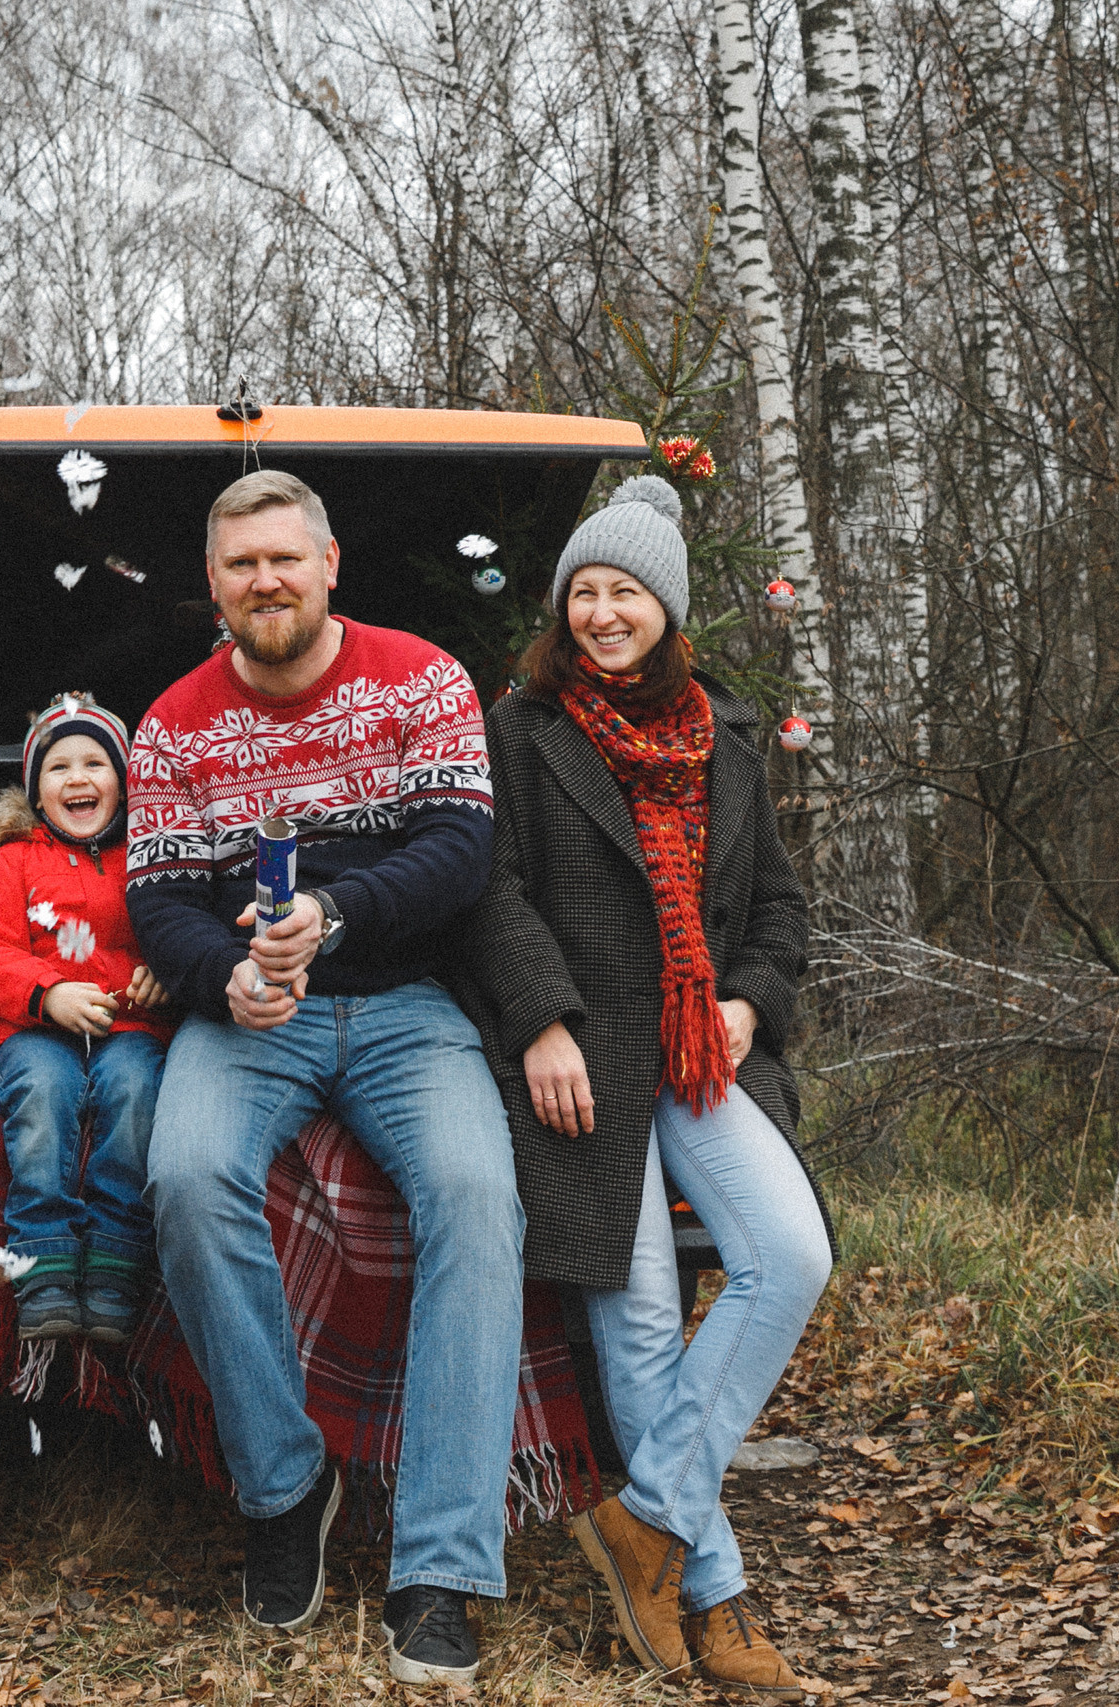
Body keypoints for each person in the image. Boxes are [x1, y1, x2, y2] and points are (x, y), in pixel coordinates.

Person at [126, 470, 524, 1689]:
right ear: (214, 585)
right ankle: (284, 1485)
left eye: (285, 559)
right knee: (185, 1175)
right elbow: (157, 901)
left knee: (473, 1198)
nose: (267, 582)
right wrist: (222, 983)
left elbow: (461, 846)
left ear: (330, 563)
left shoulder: (421, 679)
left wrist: (337, 914)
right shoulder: (171, 723)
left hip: (408, 1008)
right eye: (242, 566)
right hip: (255, 1018)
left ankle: (441, 1566)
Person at [451, 474, 834, 1697]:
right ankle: (713, 1599)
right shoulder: (519, 731)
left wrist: (745, 1004)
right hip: (582, 1065)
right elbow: (488, 895)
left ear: (666, 609)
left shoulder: (721, 739)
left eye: (625, 592)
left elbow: (776, 907)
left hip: (701, 1054)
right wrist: (542, 1024)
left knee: (793, 1255)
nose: (602, 613)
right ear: (562, 610)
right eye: (584, 593)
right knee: (640, 1315)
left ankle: (644, 1516)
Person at [0, 694, 176, 1345]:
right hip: (34, 1031)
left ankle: (114, 1259)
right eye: (57, 767)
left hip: (129, 1027)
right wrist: (47, 992)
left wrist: (163, 974)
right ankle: (44, 1261)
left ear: (125, 780)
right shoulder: (14, 860)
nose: (77, 778)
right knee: (42, 1090)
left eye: (94, 762)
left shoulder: (148, 856)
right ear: (36, 790)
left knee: (136, 1089)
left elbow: (177, 927)